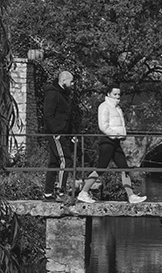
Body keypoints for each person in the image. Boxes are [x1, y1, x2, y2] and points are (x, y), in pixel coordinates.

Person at [76, 86, 146, 204]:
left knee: (124, 168)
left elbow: (121, 124)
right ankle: (83, 192)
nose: (118, 96)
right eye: (115, 94)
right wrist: (115, 134)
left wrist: (122, 135)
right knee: (101, 168)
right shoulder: (103, 106)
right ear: (108, 94)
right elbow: (103, 126)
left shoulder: (118, 108)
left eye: (119, 94)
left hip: (116, 142)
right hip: (107, 141)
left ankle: (131, 196)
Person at [42, 69, 81, 199]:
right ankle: (60, 191)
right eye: (71, 81)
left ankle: (48, 193)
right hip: (56, 133)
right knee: (66, 160)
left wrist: (72, 134)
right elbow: (48, 115)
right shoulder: (53, 94)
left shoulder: (64, 95)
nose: (72, 84)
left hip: (63, 133)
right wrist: (56, 132)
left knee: (54, 162)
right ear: (64, 80)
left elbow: (67, 117)